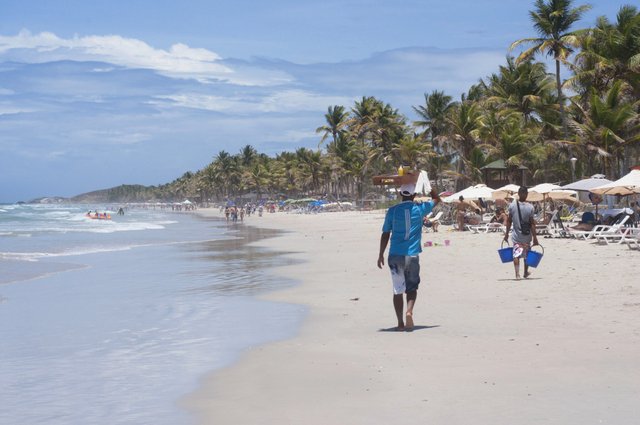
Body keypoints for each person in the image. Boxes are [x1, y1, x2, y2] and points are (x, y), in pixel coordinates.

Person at [377, 182, 441, 331]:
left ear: (400, 194)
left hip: (395, 255)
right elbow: (437, 199)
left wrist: (380, 254)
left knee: (397, 289)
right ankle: (409, 311)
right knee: (411, 288)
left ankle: (400, 323)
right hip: (411, 255)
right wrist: (428, 186)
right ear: (413, 195)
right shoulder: (420, 209)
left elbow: (385, 233)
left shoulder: (392, 211)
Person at [503, 186, 539, 280]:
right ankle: (525, 273)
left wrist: (506, 234)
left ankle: (517, 274)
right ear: (527, 194)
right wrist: (535, 238)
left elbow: (509, 221)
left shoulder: (512, 206)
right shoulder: (530, 207)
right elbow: (532, 224)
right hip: (527, 236)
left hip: (516, 236)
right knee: (527, 255)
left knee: (516, 255)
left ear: (518, 194)